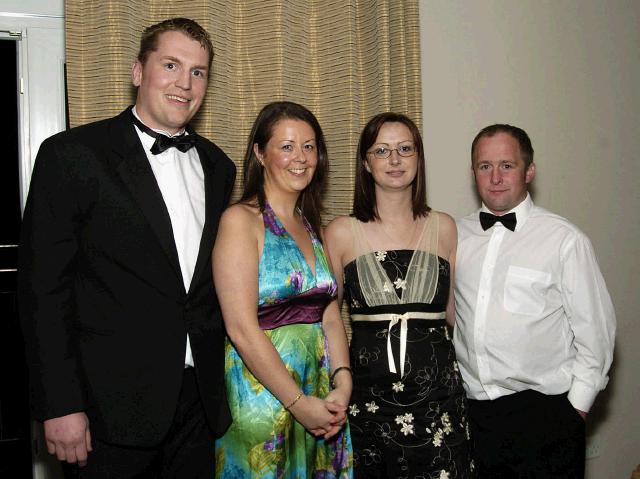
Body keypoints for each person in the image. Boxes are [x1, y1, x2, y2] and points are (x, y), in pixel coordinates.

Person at [18, 18, 236, 478]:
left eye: (198, 72)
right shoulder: (73, 155)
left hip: (198, 406)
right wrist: (59, 405)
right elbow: (43, 291)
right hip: (105, 414)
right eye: (171, 65)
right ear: (139, 71)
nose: (185, 83)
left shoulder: (219, 166)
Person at [454, 124, 616, 477]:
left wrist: (575, 411)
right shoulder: (456, 237)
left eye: (507, 165)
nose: (495, 177)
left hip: (545, 415)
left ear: (529, 171)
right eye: (485, 166)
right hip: (474, 418)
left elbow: (597, 333)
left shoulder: (564, 240)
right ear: (473, 173)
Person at [325, 113, 474, 478]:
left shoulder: (445, 228)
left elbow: (455, 318)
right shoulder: (342, 232)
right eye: (382, 150)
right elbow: (328, 320)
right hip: (367, 401)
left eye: (405, 149)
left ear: (418, 158)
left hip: (439, 400)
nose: (395, 160)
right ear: (365, 161)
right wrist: (340, 380)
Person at [212, 101, 353, 477]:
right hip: (263, 398)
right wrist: (297, 402)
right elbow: (240, 327)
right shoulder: (240, 221)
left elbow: (330, 314)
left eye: (309, 146)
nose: (301, 158)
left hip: (319, 394)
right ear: (260, 153)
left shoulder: (310, 225)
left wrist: (343, 381)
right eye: (287, 146)